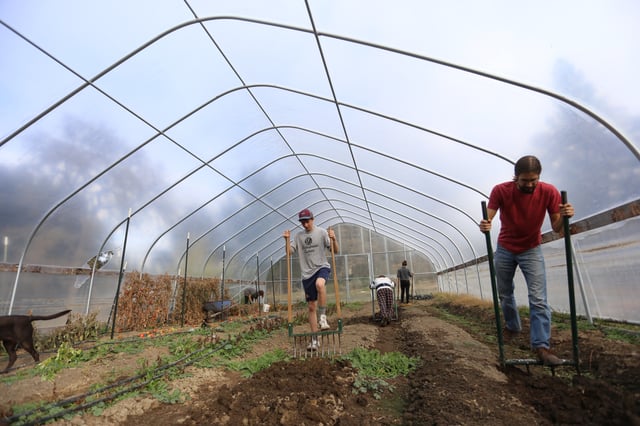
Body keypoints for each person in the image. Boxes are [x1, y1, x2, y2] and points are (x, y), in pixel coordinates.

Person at [479, 155, 574, 366]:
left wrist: (565, 216)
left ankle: (541, 347)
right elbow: (489, 217)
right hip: (505, 249)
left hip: (531, 249)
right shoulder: (501, 190)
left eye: (534, 180)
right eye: (525, 181)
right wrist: (485, 224)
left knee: (538, 298)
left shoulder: (549, 192)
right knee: (505, 293)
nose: (530, 185)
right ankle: (512, 326)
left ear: (539, 177)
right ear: (516, 177)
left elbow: (557, 227)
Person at [283, 208, 339, 351]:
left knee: (320, 284)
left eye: (307, 221)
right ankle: (315, 339)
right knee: (311, 307)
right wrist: (287, 241)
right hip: (307, 274)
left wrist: (334, 239)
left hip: (321, 267)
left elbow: (335, 251)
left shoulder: (321, 233)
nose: (305, 224)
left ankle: (323, 317)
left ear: (312, 219)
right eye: (302, 222)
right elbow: (289, 252)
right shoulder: (299, 236)